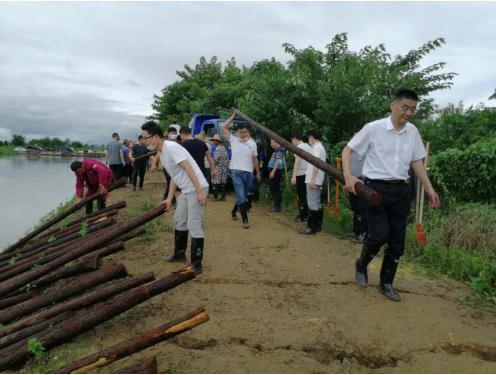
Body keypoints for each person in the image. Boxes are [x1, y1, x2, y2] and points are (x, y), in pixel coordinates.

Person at [342, 89, 440, 302]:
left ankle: (386, 283)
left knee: (397, 242)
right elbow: (347, 151)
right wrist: (348, 176)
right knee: (378, 236)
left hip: (400, 192)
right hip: (375, 190)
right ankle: (361, 263)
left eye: (413, 109)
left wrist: (429, 188)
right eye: (405, 107)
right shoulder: (373, 128)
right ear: (392, 105)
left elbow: (417, 162)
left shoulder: (412, 131)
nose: (408, 113)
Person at [141, 121, 209, 275]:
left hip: (196, 187)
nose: (144, 141)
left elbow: (188, 168)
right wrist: (169, 198)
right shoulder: (162, 151)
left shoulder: (171, 148)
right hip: (186, 189)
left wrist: (200, 192)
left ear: (156, 137)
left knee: (194, 224)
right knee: (179, 219)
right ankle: (179, 254)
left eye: (146, 138)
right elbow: (175, 176)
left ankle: (197, 264)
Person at [222, 114, 261, 229]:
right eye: (240, 132)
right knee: (241, 195)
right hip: (236, 172)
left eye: (244, 132)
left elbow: (255, 159)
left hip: (248, 174)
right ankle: (245, 220)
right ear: (237, 132)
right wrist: (233, 116)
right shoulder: (233, 140)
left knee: (242, 196)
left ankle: (234, 211)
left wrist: (257, 173)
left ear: (247, 131)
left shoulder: (252, 144)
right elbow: (223, 127)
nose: (243, 134)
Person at [300, 129, 327, 235]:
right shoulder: (321, 147)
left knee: (312, 203)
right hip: (317, 179)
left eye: (308, 137)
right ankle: (318, 226)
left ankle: (311, 227)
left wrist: (312, 179)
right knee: (317, 202)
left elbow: (316, 163)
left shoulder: (317, 147)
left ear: (312, 137)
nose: (308, 139)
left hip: (313, 179)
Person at [290, 132, 312, 222]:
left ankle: (303, 215)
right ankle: (306, 214)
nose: (292, 142)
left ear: (295, 138)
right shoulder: (308, 146)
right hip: (308, 174)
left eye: (292, 140)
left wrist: (294, 176)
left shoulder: (299, 147)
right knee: (306, 195)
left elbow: (297, 162)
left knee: (301, 195)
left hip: (301, 174)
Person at [349, 150, 368, 242]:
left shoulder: (366, 152)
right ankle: (356, 231)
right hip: (352, 181)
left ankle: (363, 233)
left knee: (362, 208)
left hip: (363, 182)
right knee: (354, 207)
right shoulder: (351, 153)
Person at [267, 139, 285, 213]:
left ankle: (277, 207)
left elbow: (277, 161)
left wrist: (273, 172)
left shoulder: (279, 150)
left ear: (276, 142)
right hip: (276, 171)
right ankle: (276, 206)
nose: (271, 144)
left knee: (275, 188)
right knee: (275, 188)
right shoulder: (278, 150)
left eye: (271, 143)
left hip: (276, 171)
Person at [210, 134, 229, 201]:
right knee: (222, 182)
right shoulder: (223, 148)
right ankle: (223, 197)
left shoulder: (218, 149)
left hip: (218, 168)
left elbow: (215, 160)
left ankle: (215, 197)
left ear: (217, 141)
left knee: (214, 181)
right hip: (224, 168)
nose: (213, 142)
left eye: (214, 141)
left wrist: (211, 165)